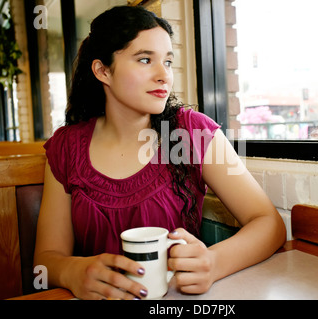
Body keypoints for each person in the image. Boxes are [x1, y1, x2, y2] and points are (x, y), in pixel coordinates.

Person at [34, 5, 285, 300]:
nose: (163, 75)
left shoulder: (191, 132)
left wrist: (214, 262)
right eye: (144, 60)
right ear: (103, 70)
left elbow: (269, 223)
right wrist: (73, 272)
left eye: (168, 61)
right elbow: (45, 261)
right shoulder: (65, 147)